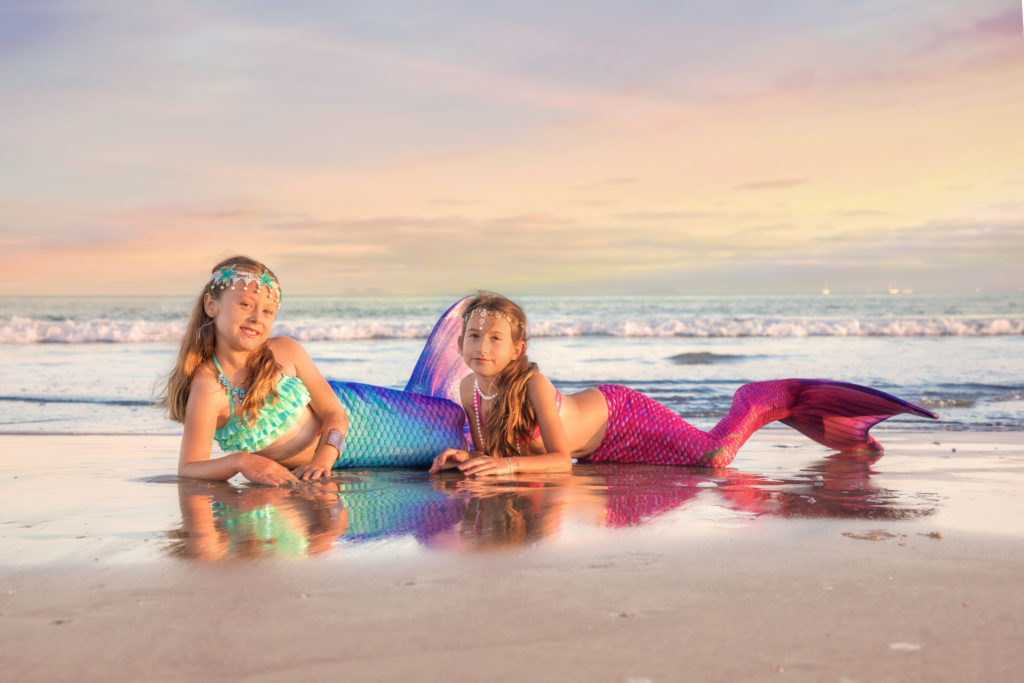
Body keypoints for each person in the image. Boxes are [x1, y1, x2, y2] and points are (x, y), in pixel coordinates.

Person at [429, 292, 938, 477]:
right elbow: (490, 448)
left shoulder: (534, 384)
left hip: (621, 414)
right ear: (460, 343)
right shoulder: (468, 392)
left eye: (496, 337)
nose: (483, 347)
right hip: (605, 456)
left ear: (517, 348)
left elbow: (560, 461)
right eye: (474, 335)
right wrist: (462, 455)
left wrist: (507, 464)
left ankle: (760, 398)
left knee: (714, 457)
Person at [161, 256, 467, 487]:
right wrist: (242, 462)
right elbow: (189, 467)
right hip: (342, 459)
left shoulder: (285, 352)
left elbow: (336, 415)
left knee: (452, 430)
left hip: (365, 419)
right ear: (211, 305)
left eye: (268, 311)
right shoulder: (208, 386)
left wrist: (323, 461)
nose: (257, 317)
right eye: (245, 304)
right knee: (443, 460)